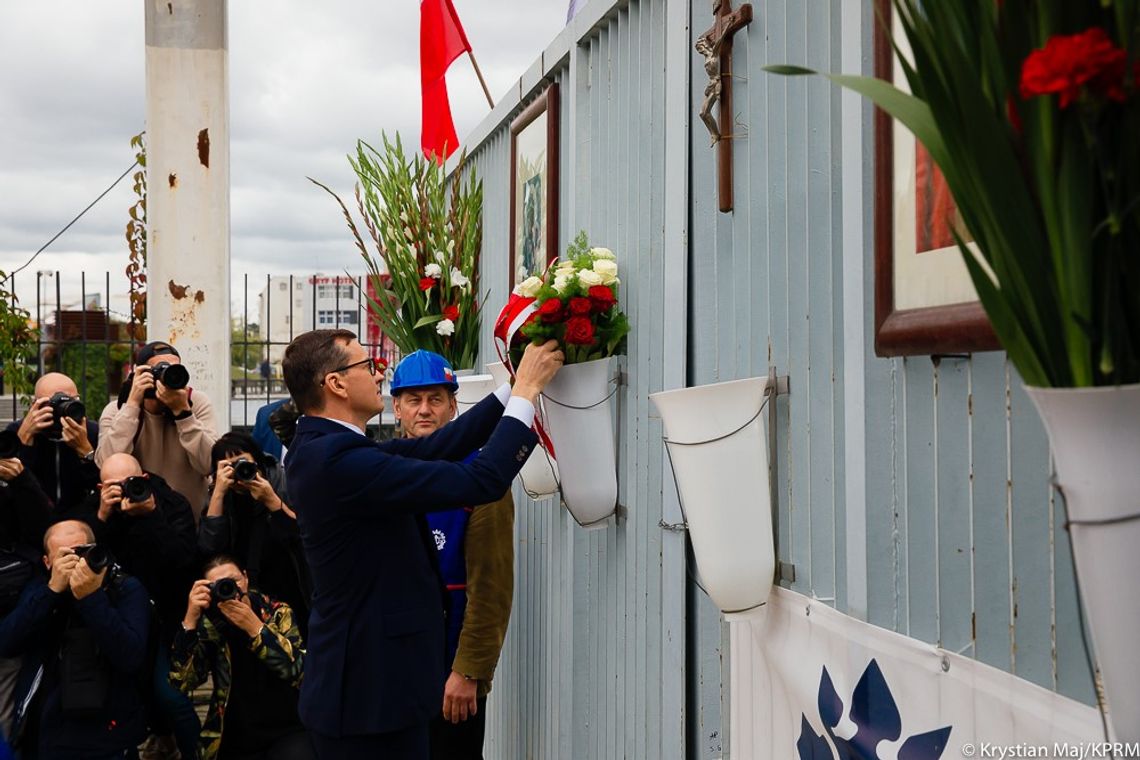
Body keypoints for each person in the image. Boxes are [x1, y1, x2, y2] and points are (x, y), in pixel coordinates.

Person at [282, 329, 563, 759]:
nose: (378, 376)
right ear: (335, 383)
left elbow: (439, 446)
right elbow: (479, 480)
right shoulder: (337, 461)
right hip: (368, 704)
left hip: (380, 691)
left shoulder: (328, 446)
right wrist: (528, 391)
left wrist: (512, 386)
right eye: (366, 366)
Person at [391, 351, 515, 760]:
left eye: (436, 399)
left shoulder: (479, 475)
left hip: (449, 678)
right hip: (391, 671)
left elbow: (491, 590)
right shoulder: (379, 469)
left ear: (453, 405)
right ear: (396, 407)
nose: (424, 410)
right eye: (414, 399)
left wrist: (469, 672)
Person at [67, 453, 199, 760]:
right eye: (115, 486)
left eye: (132, 483)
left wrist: (151, 516)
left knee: (171, 695)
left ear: (145, 479)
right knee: (133, 689)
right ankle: (161, 738)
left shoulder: (170, 503)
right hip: (118, 613)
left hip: (167, 611)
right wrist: (102, 515)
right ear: (101, 487)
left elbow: (182, 562)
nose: (125, 491)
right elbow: (86, 561)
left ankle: (198, 752)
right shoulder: (94, 511)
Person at [0, 520, 151, 759]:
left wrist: (91, 597)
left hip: (109, 731)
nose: (77, 562)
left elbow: (131, 656)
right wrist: (51, 591)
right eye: (65, 556)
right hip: (48, 731)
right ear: (47, 562)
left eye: (82, 551)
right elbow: (7, 641)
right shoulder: (41, 587)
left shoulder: (124, 588)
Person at [170, 555, 310, 760]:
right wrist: (189, 622)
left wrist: (255, 629)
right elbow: (181, 683)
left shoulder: (276, 612)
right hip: (235, 732)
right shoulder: (209, 623)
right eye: (219, 585)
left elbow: (299, 673)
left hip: (288, 727)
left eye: (233, 581)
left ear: (245, 578)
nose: (230, 590)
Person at [199, 433, 310, 633]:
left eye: (243, 463)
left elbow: (302, 537)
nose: (239, 471)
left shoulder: (281, 482)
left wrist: (271, 500)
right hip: (239, 595)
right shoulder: (220, 497)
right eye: (229, 467)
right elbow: (209, 549)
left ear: (258, 461)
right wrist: (218, 493)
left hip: (288, 587)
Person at [96, 341, 220, 519]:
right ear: (139, 374)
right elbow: (106, 463)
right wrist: (132, 405)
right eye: (158, 370)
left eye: (174, 369)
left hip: (190, 522)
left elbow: (208, 464)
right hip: (135, 518)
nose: (166, 375)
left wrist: (183, 414)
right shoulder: (117, 410)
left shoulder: (197, 403)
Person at [0, 452, 53, 741]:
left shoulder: (12, 487)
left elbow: (41, 529)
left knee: (6, 714)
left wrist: (22, 481)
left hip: (10, 611)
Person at [5, 372, 99, 511]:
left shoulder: (91, 431)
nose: (61, 408)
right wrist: (24, 439)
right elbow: (9, 488)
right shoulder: (16, 431)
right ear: (34, 405)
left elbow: (98, 486)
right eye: (54, 402)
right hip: (30, 518)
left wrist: (85, 450)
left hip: (78, 522)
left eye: (70, 400)